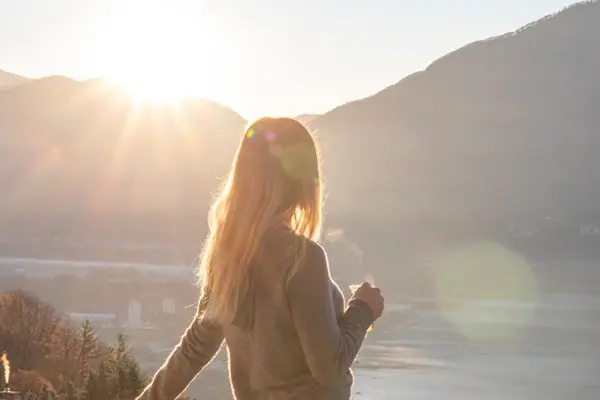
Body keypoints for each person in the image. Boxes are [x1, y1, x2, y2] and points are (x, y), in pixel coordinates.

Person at [136, 117, 385, 400]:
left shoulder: (228, 259)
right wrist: (363, 309)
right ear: (302, 180)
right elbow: (328, 367)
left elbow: (193, 351)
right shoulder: (303, 259)